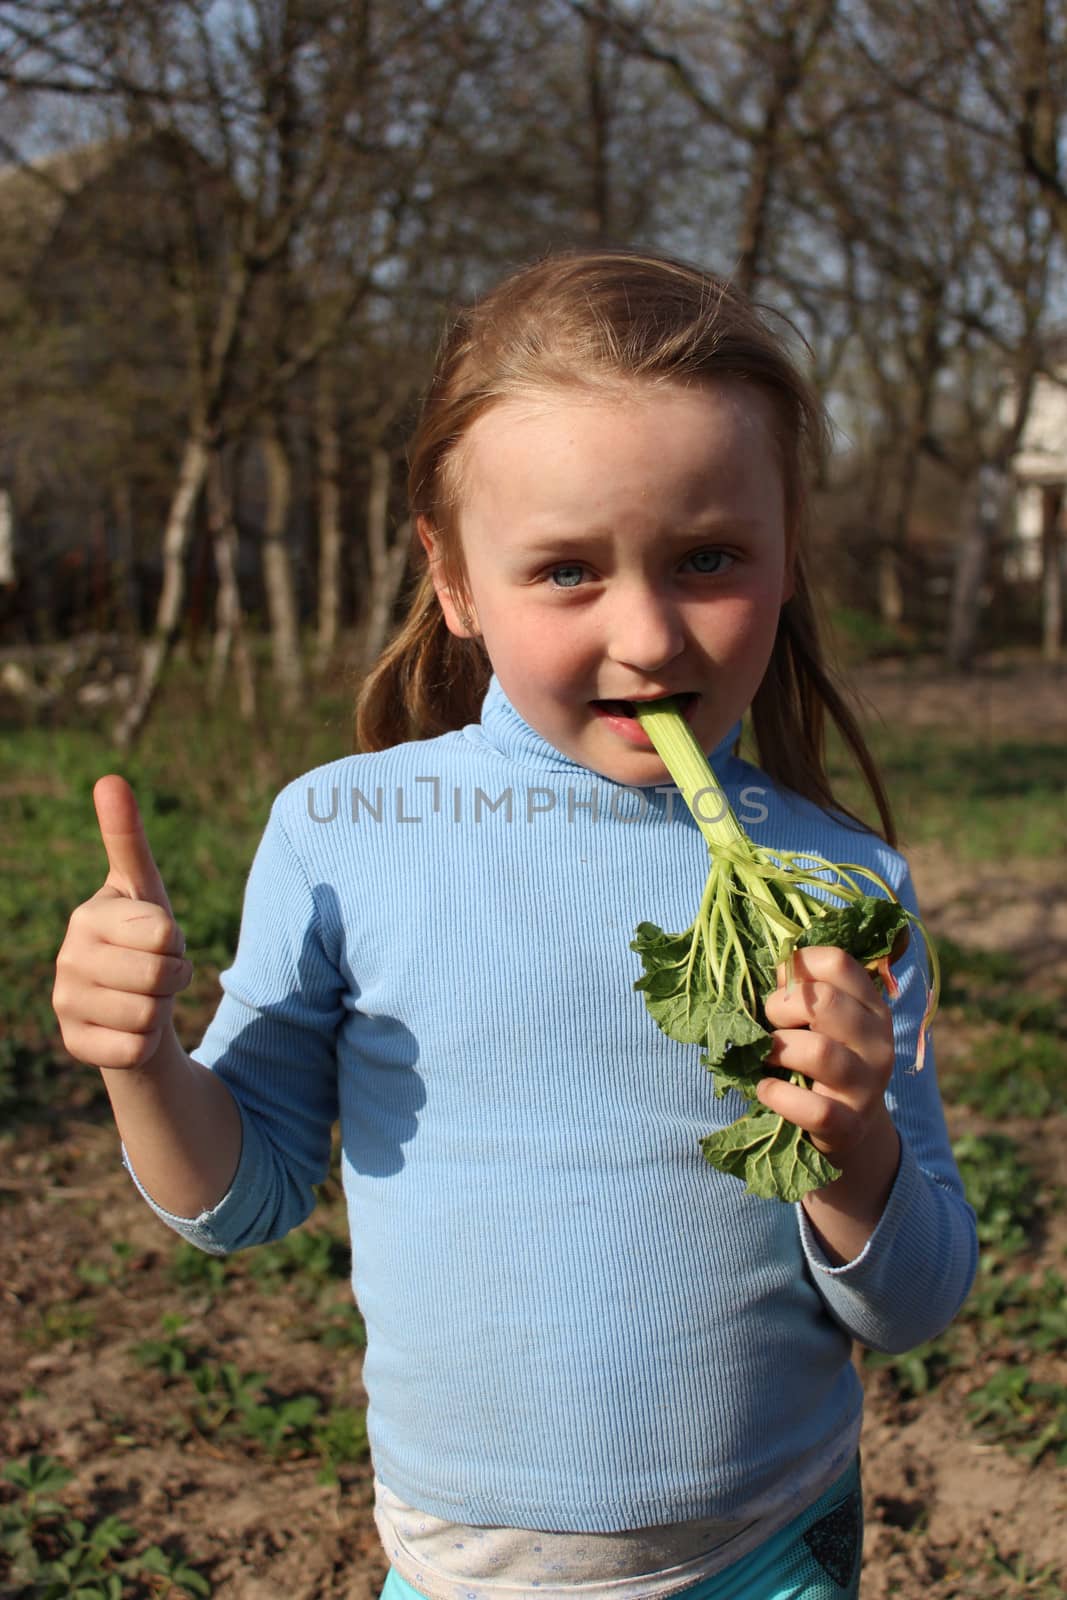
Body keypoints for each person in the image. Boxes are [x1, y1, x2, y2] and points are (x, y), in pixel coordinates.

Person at [53, 249, 978, 1600]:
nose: (650, 636)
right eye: (565, 571)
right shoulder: (343, 836)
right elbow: (243, 1200)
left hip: (770, 1542)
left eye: (708, 558)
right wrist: (143, 1061)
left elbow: (914, 1305)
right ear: (455, 580)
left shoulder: (845, 886)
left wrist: (854, 1150)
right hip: (460, 1562)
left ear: (789, 561)